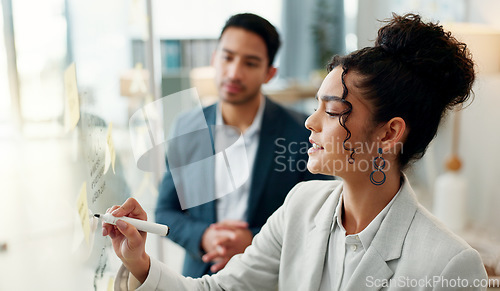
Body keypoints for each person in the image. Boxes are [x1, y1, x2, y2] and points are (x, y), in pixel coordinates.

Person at [104, 13, 488, 290]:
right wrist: (138, 260)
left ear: (389, 134)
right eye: (316, 105)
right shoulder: (302, 205)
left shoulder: (450, 264)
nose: (311, 122)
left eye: (333, 109)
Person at [155, 12, 330, 278]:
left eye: (250, 63)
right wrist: (205, 236)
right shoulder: (187, 127)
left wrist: (255, 240)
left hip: (271, 277)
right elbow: (165, 211)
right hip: (201, 276)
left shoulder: (301, 133)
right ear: (214, 59)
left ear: (269, 73)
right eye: (227, 57)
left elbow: (320, 217)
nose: (234, 72)